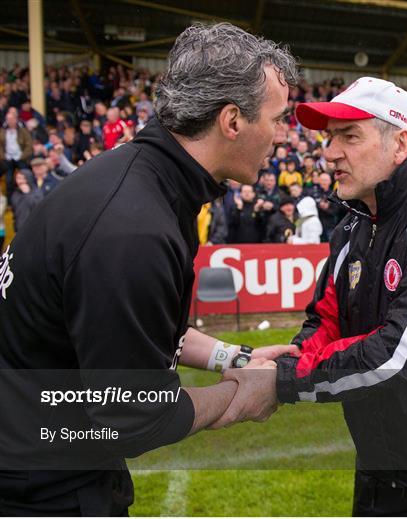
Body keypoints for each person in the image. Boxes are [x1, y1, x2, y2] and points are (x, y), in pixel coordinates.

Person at [0, 23, 298, 515]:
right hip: (41, 484)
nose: (281, 135)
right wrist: (240, 395)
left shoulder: (144, 180)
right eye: (277, 118)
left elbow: (136, 328)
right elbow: (134, 415)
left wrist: (234, 359)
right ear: (232, 121)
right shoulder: (133, 228)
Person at [226, 77, 407, 516]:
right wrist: (292, 353)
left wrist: (284, 380)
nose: (329, 153)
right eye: (329, 138)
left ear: (400, 143)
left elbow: (399, 352)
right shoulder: (351, 224)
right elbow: (326, 320)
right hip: (380, 470)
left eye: (349, 136)